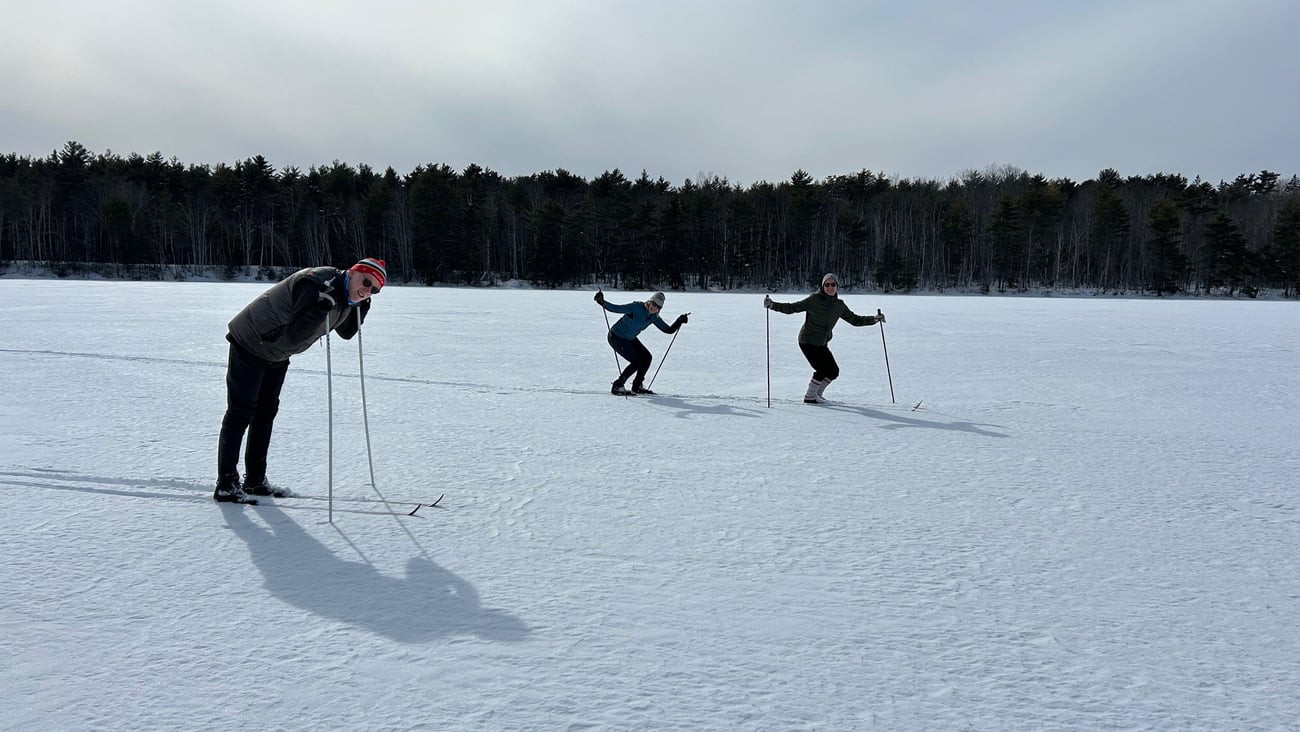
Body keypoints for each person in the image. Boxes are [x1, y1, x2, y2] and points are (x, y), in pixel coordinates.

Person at [214, 258, 387, 504]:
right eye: (366, 282)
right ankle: (226, 484)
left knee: (265, 414)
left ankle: (255, 480)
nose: (366, 290)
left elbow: (346, 332)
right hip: (252, 342)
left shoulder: (346, 294)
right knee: (241, 413)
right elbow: (294, 335)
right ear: (353, 272)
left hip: (277, 352)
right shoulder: (316, 284)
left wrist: (362, 307)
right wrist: (319, 310)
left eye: (374, 290)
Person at [764, 273, 884, 404]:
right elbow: (792, 308)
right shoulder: (813, 300)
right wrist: (772, 305)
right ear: (822, 286)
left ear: (837, 286)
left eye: (833, 284)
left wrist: (874, 319)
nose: (830, 287)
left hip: (822, 343)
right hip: (807, 341)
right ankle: (810, 396)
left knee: (833, 371)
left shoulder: (839, 305)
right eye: (827, 285)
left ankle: (817, 394)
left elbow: (855, 320)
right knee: (821, 370)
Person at [594, 290, 688, 395]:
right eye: (654, 304)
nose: (654, 308)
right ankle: (618, 385)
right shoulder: (636, 307)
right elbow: (616, 308)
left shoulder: (654, 317)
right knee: (637, 361)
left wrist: (679, 321)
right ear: (649, 301)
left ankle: (637, 386)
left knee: (647, 357)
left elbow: (668, 330)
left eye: (658, 307)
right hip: (616, 337)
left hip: (630, 338)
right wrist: (601, 301)